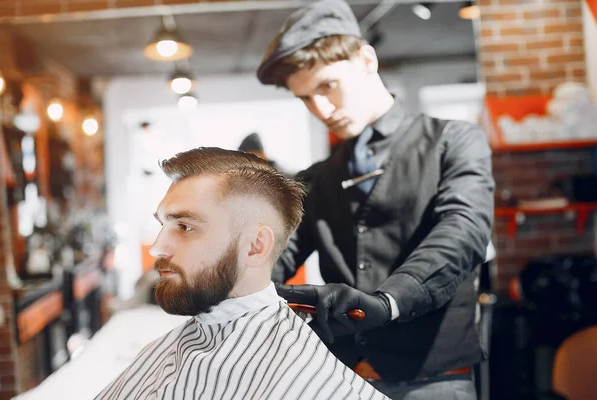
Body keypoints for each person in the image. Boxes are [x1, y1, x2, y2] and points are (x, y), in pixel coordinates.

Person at [256, 0, 495, 398]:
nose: (322, 109)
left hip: (432, 380)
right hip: (343, 381)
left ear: (367, 59)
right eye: (305, 99)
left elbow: (462, 232)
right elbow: (274, 257)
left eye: (327, 86)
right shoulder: (314, 180)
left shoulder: (453, 142)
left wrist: (387, 301)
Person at [94, 147, 388, 400]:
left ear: (255, 247)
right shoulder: (187, 340)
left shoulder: (299, 374)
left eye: (185, 227)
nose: (157, 248)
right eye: (162, 225)